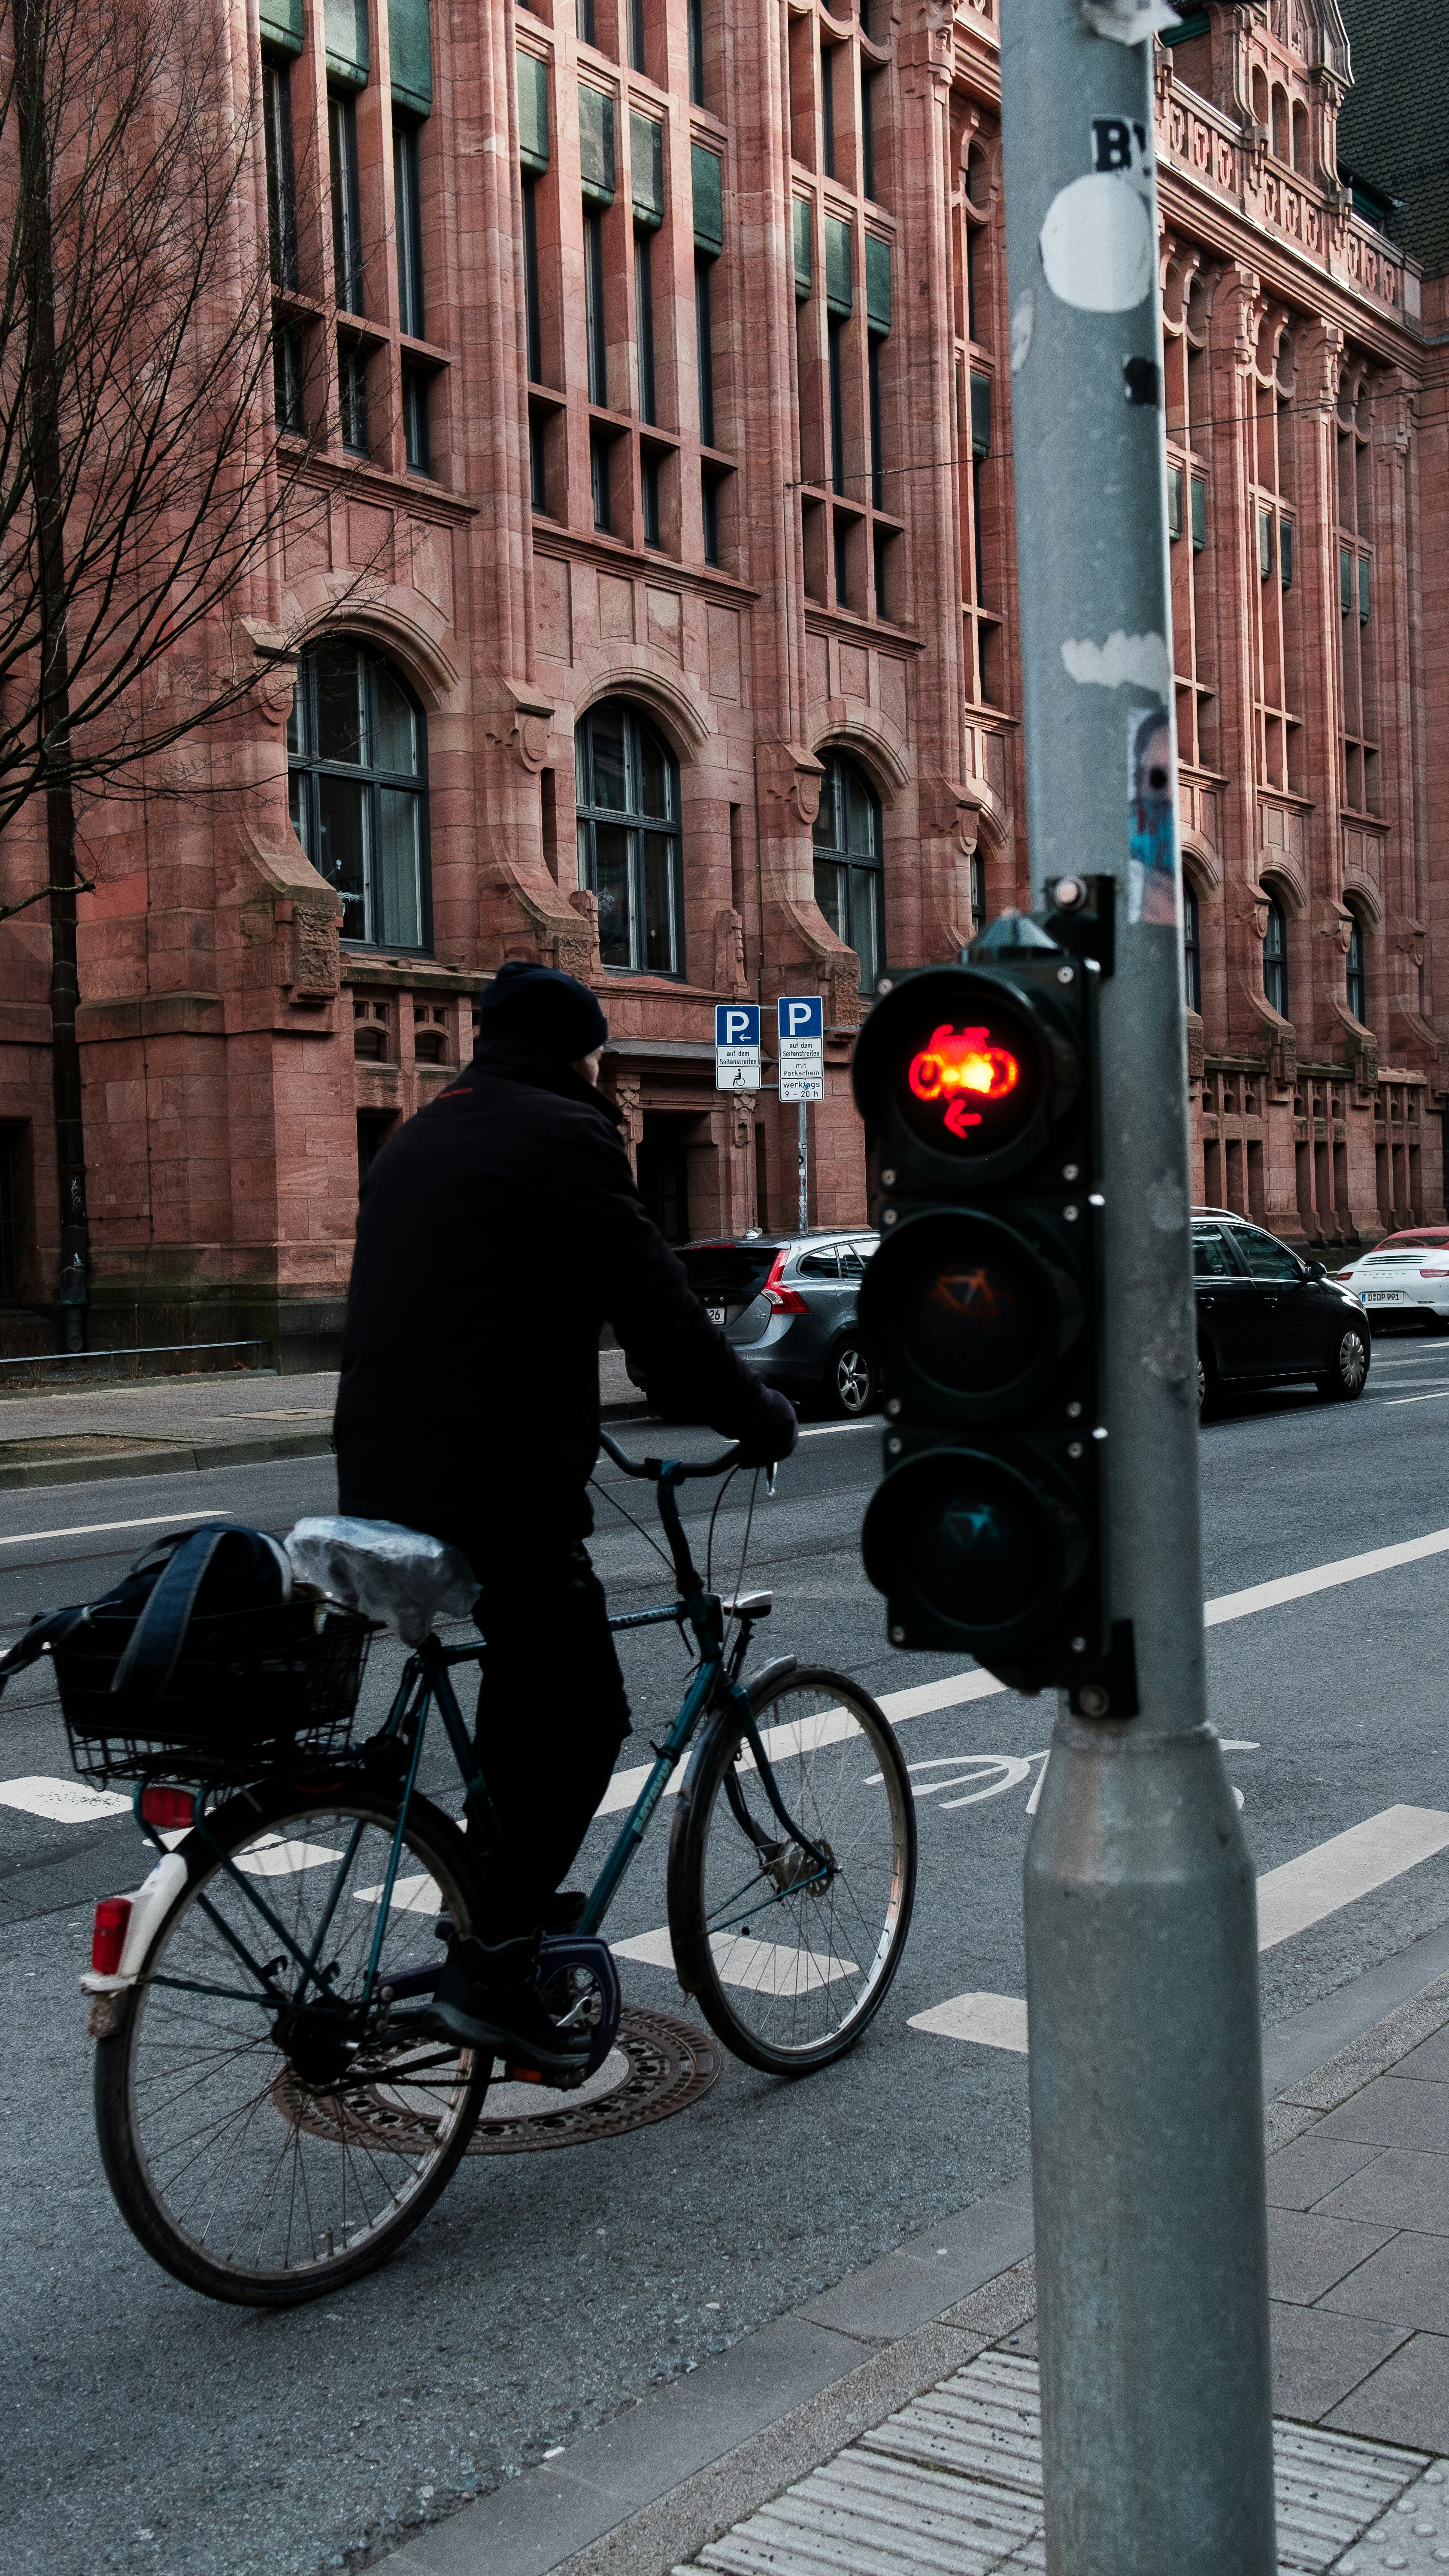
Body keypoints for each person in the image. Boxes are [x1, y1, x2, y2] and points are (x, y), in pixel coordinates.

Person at [333, 960, 798, 2078]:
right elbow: (663, 1324)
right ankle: (496, 1960)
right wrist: (759, 1414)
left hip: (380, 1473)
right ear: (579, 1051)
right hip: (491, 1481)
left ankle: (492, 1933)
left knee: (518, 1699)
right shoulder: (565, 1135)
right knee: (586, 1715)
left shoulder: (419, 1132)